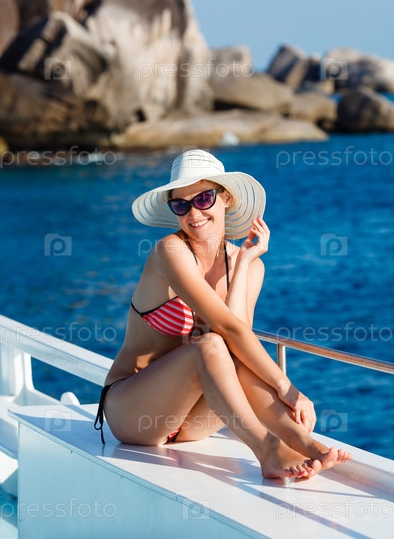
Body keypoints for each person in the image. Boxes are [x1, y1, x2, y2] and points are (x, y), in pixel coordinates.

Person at [95, 149, 351, 479]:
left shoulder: (252, 267)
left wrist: (242, 265)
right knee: (211, 344)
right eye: (181, 204)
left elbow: (239, 340)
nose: (194, 213)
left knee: (231, 352)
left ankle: (306, 444)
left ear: (226, 198)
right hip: (133, 412)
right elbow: (227, 329)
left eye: (203, 198)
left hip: (192, 421)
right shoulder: (170, 251)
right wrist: (287, 387)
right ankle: (268, 450)